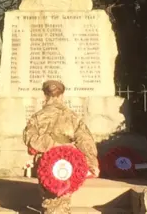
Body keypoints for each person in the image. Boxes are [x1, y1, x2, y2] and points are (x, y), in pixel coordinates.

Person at [23, 80, 99, 214]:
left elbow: (30, 139)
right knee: (64, 193)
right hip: (69, 158)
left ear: (45, 95)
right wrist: (92, 163)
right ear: (62, 95)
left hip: (46, 159)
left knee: (49, 192)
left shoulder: (37, 117)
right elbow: (85, 141)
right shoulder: (73, 117)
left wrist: (49, 144)